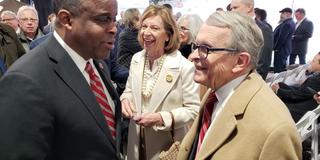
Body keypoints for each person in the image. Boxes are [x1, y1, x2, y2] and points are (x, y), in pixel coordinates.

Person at [0, 0, 123, 159]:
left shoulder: (97, 64)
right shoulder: (25, 81)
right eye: (104, 19)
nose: (114, 28)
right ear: (67, 20)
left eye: (114, 19)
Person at [177, 11, 301, 160]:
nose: (195, 55)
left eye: (206, 49)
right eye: (196, 46)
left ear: (240, 62)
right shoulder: (217, 91)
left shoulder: (276, 130)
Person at [120, 5, 200, 160]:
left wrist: (162, 118)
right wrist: (125, 100)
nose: (146, 32)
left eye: (154, 28)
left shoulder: (184, 67)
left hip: (166, 147)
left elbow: (193, 110)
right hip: (135, 144)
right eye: (144, 26)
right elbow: (129, 90)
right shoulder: (137, 59)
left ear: (168, 35)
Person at [271, 52, 320, 122]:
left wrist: (278, 90)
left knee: (276, 98)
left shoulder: (316, 80)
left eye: (314, 61)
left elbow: (297, 95)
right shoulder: (316, 77)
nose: (311, 62)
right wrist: (281, 87)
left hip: (300, 110)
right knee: (281, 84)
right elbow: (301, 91)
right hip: (304, 101)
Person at [230, 0, 273, 80]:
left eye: (235, 7)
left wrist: (253, 83)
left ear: (249, 7)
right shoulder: (234, 28)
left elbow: (263, 63)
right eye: (231, 8)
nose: (232, 11)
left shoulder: (263, 30)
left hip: (249, 81)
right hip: (231, 78)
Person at [273, 7, 295, 73]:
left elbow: (281, 38)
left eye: (283, 13)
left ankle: (277, 82)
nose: (281, 15)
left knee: (278, 68)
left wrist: (276, 48)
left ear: (288, 14)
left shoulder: (287, 24)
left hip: (281, 50)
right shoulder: (289, 22)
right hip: (283, 49)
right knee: (280, 67)